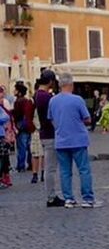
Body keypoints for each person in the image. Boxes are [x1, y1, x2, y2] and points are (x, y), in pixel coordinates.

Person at [48, 73, 97, 207]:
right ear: (71, 84)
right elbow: (87, 119)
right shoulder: (77, 100)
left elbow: (51, 119)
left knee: (65, 171)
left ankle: (68, 198)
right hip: (78, 139)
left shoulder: (53, 101)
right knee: (84, 170)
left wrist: (60, 127)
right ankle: (87, 198)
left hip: (61, 140)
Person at [35, 71, 60, 205]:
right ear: (50, 81)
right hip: (50, 134)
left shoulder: (38, 95)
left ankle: (51, 195)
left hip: (44, 133)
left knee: (50, 167)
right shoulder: (46, 97)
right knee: (50, 168)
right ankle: (51, 197)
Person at [12, 81, 34, 174]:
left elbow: (16, 114)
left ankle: (21, 165)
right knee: (29, 146)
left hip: (21, 126)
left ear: (19, 92)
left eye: (15, 90)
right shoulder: (27, 101)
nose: (14, 91)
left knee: (21, 147)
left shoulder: (18, 101)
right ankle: (30, 164)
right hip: (28, 125)